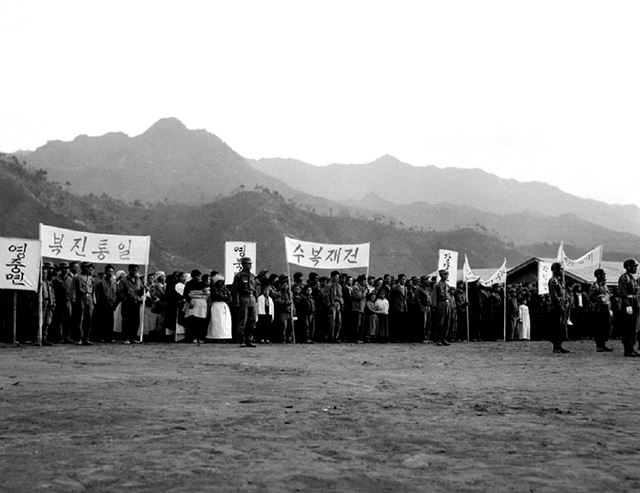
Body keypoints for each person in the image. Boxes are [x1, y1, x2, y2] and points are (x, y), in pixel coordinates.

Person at [231, 257, 258, 347]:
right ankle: (241, 340)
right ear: (243, 264)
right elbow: (235, 290)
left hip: (252, 298)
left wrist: (256, 299)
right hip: (243, 298)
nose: (250, 265)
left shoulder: (253, 276)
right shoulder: (238, 276)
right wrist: (236, 301)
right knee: (242, 320)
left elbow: (255, 289)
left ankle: (249, 339)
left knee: (252, 320)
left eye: (250, 264)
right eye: (248, 264)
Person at [117, 264, 145, 344]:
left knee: (135, 321)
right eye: (133, 270)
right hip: (127, 303)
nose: (135, 271)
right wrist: (125, 298)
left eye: (136, 270)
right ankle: (126, 338)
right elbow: (119, 291)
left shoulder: (138, 280)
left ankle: (133, 337)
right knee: (126, 321)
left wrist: (144, 289)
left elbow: (140, 292)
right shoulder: (124, 280)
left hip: (136, 302)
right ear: (129, 270)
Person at [618, 258, 639, 357]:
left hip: (634, 302)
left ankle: (631, 347)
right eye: (634, 266)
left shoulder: (632, 278)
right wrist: (627, 305)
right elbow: (623, 293)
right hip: (628, 303)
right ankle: (627, 349)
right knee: (628, 327)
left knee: (633, 327)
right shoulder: (624, 278)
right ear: (628, 267)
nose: (635, 268)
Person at [548, 262, 570, 353]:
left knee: (562, 326)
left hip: (562, 306)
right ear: (555, 270)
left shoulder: (560, 281)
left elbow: (563, 294)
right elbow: (554, 296)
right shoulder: (553, 281)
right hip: (556, 307)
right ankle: (556, 346)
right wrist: (560, 306)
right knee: (556, 326)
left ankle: (559, 344)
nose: (562, 271)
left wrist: (566, 302)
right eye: (560, 269)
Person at [589, 268, 612, 352]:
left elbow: (608, 294)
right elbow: (591, 297)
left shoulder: (604, 285)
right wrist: (600, 300)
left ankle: (603, 344)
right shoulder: (595, 286)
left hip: (606, 307)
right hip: (599, 308)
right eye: (602, 275)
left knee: (606, 326)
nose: (604, 276)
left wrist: (609, 296)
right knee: (599, 327)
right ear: (598, 276)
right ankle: (598, 345)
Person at [93, 264, 118, 342]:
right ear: (105, 272)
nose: (110, 273)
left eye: (112, 271)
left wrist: (115, 303)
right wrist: (98, 303)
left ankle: (109, 337)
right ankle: (101, 337)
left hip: (111, 304)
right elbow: (97, 294)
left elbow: (115, 293)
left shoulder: (114, 283)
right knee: (102, 321)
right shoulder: (100, 282)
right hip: (102, 304)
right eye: (109, 271)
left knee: (110, 321)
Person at [183, 269, 209, 344]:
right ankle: (194, 337)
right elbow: (185, 294)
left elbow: (207, 293)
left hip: (200, 303)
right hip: (194, 303)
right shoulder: (190, 284)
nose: (198, 277)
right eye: (197, 276)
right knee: (194, 321)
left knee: (198, 321)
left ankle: (198, 337)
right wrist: (189, 301)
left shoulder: (201, 284)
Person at [73, 261, 95, 345]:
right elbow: (73, 289)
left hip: (89, 298)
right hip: (80, 297)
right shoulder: (77, 277)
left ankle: (87, 337)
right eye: (86, 267)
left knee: (89, 319)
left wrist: (94, 300)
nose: (88, 268)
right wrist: (74, 298)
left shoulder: (91, 278)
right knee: (80, 318)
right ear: (83, 268)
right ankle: (79, 338)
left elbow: (93, 290)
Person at [207, 274, 232, 340]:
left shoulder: (225, 289)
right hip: (216, 306)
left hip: (223, 305)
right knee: (217, 321)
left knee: (224, 322)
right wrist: (225, 296)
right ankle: (216, 336)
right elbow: (220, 296)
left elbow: (229, 298)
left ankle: (225, 336)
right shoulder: (214, 289)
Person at [432, 270, 451, 346]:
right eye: (444, 275)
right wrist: (434, 306)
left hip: (446, 303)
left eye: (447, 275)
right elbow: (434, 296)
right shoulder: (437, 285)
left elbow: (448, 295)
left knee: (446, 322)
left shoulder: (447, 285)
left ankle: (444, 338)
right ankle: (438, 339)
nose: (446, 276)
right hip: (440, 303)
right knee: (440, 322)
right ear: (441, 275)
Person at [388, 273, 409, 342]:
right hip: (396, 307)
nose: (404, 280)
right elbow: (391, 298)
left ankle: (402, 337)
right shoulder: (395, 287)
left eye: (405, 279)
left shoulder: (406, 288)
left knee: (402, 323)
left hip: (404, 307)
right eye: (403, 279)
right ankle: (395, 338)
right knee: (396, 323)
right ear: (399, 280)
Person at [40, 262, 56, 346]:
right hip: (42, 303)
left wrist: (53, 302)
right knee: (40, 321)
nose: (45, 274)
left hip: (49, 303)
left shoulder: (49, 282)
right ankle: (38, 338)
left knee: (47, 321)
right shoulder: (40, 283)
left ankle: (45, 338)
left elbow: (52, 293)